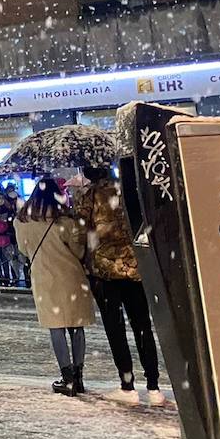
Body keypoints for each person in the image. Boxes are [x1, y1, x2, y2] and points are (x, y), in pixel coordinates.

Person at [77, 165, 165, 405]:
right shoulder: (129, 191)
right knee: (142, 326)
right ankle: (154, 387)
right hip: (134, 268)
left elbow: (80, 232)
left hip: (105, 273)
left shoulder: (89, 196)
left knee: (115, 330)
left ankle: (128, 386)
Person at [15, 177, 94, 396]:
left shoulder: (22, 221)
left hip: (44, 279)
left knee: (56, 327)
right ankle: (78, 376)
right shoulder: (67, 221)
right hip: (72, 277)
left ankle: (66, 377)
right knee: (76, 327)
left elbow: (23, 249)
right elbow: (78, 252)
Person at [0, 185, 22, 288]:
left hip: (5, 236)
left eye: (2, 198)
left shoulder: (7, 210)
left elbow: (10, 222)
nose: (1, 200)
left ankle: (7, 277)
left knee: (6, 258)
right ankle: (1, 277)